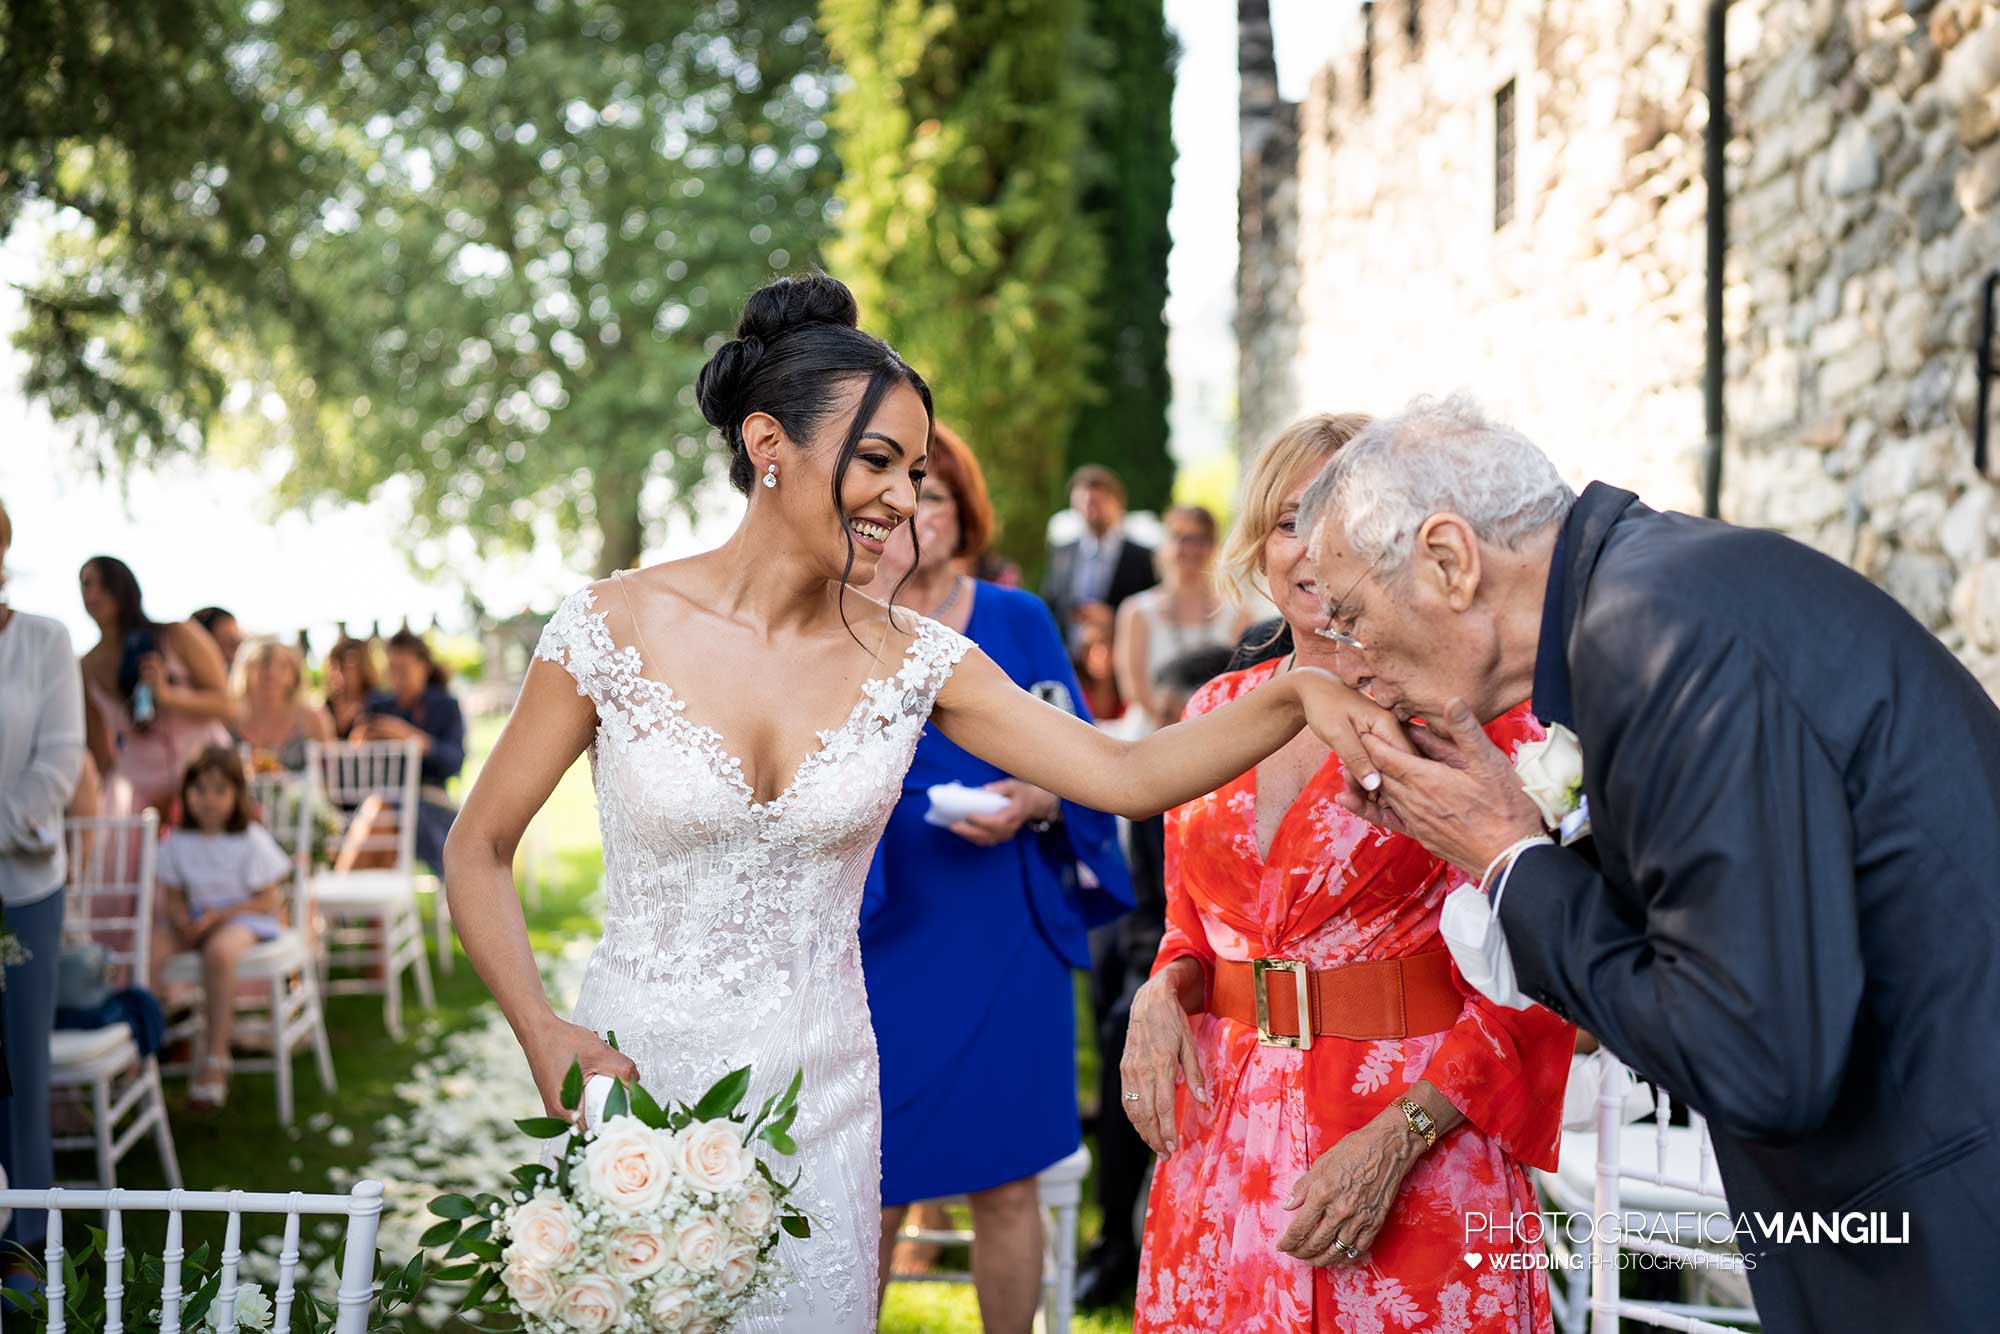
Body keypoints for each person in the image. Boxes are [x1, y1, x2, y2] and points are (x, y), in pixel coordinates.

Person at [443, 272, 1401, 1333]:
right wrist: (539, 1026)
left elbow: (1127, 775)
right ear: (769, 445)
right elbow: (478, 844)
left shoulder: (912, 658)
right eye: (877, 462)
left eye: (911, 469)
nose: (905, 497)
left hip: (828, 1105)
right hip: (635, 1090)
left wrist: (1296, 693)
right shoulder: (609, 627)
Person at [1302, 393, 2000, 1331]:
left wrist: (1509, 860)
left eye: (1347, 618)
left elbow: (1763, 1061)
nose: (1345, 665)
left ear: (1448, 560)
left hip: (1948, 1218)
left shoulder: (1656, 639)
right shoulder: (1655, 598)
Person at [1121, 411, 1575, 1332]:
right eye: (1292, 519)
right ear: (1259, 538)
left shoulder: (1473, 716)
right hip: (1226, 1150)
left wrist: (1403, 1136)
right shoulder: (1216, 707)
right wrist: (1163, 990)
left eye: (1343, 520)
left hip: (1413, 1143)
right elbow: (1191, 922)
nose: (1314, 549)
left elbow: (1541, 971)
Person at [853, 423, 1134, 1332]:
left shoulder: (1018, 620)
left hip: (1005, 927)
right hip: (884, 927)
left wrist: (1037, 797)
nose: (915, 511)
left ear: (963, 512)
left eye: (934, 493)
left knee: (1010, 1182)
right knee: (874, 1179)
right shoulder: (839, 623)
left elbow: (1085, 760)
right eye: (897, 491)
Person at [1075, 642, 1232, 1311]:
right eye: (1162, 721)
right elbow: (1148, 902)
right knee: (1122, 1028)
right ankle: (1116, 1234)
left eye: (1180, 723)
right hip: (1160, 947)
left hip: (1239, 962)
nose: (1166, 740)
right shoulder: (1159, 789)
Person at [0, 498, 85, 1275]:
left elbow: (58, 763)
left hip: (21, 893)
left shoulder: (43, 641)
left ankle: (25, 1242)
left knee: (21, 1074)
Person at [153, 746, 293, 1111]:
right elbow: (171, 896)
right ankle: (146, 1048)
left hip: (243, 919)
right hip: (197, 920)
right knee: (151, 949)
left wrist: (219, 915)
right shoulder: (177, 842)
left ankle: (216, 1057)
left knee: (220, 952)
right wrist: (182, 918)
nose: (208, 799)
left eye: (219, 790)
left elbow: (268, 899)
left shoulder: (248, 839)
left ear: (236, 794)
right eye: (198, 789)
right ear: (186, 794)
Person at [77, 556, 232, 816]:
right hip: (140, 800)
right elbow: (101, 754)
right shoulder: (86, 667)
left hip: (205, 789)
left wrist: (168, 696)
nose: (93, 593)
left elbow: (228, 706)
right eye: (85, 584)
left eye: (104, 584)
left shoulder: (177, 635)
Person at [1113, 505, 1249, 731]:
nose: (1191, 548)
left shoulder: (1238, 614)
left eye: (1201, 539)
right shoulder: (1136, 612)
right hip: (1152, 731)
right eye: (1182, 537)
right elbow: (1132, 687)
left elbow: (1242, 682)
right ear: (1165, 544)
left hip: (1215, 733)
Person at [358, 630, 466, 876]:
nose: (396, 678)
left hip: (430, 802)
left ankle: (342, 903)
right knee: (383, 812)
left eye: (403, 669)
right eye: (391, 669)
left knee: (387, 813)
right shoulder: (378, 707)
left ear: (424, 667)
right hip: (383, 801)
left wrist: (412, 739)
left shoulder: (445, 706)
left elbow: (454, 761)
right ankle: (381, 911)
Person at [1042, 464, 1157, 658]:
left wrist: (1113, 618)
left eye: (1096, 502)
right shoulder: (1062, 553)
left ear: (1117, 503)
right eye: (1082, 502)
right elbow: (1050, 603)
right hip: (1070, 660)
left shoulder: (1142, 557)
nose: (1089, 509)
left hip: (1121, 660)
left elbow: (1152, 609)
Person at [231, 637, 333, 774]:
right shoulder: (229, 719)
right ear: (245, 671)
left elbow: (330, 772)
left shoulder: (311, 719)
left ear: (295, 675)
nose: (271, 674)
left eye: (282, 667)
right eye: (263, 664)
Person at [322, 637, 377, 741]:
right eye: (335, 666)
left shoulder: (376, 703)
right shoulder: (327, 707)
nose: (340, 673)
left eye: (349, 665)